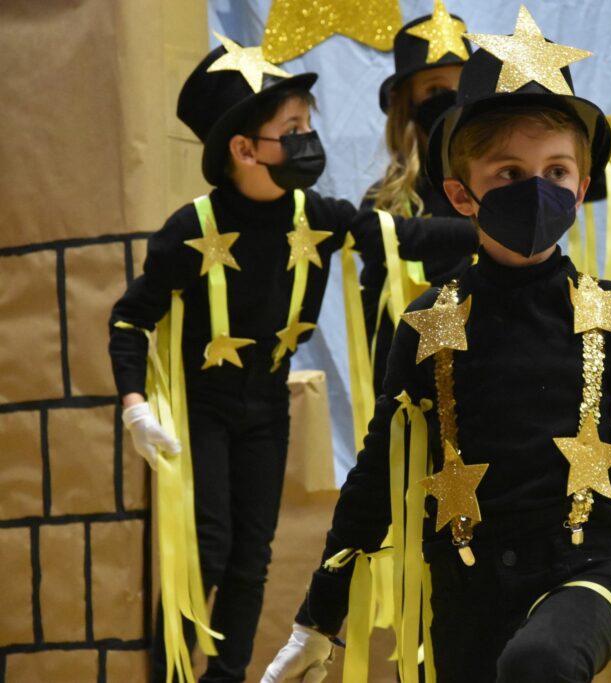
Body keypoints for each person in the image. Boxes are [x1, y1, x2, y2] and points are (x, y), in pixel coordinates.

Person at [263, 9, 611, 683]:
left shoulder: (606, 313)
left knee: (539, 663)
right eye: (507, 172)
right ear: (461, 194)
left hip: (587, 571)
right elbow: (374, 480)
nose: (536, 188)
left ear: (582, 188)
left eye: (556, 171)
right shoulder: (430, 320)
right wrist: (315, 621)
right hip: (464, 585)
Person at [109, 34, 478, 683]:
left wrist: (490, 231)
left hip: (266, 404)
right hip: (203, 407)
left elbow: (402, 236)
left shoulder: (318, 214)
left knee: (253, 553)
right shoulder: (190, 229)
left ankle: (223, 676)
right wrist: (135, 404)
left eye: (309, 125)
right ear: (244, 149)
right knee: (209, 547)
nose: (309, 139)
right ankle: (168, 669)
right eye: (292, 129)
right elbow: (130, 318)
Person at [360, 0, 475, 394]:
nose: (452, 100)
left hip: (492, 371)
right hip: (416, 382)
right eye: (435, 90)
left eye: (462, 88)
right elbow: (374, 320)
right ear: (407, 105)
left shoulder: (501, 186)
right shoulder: (385, 201)